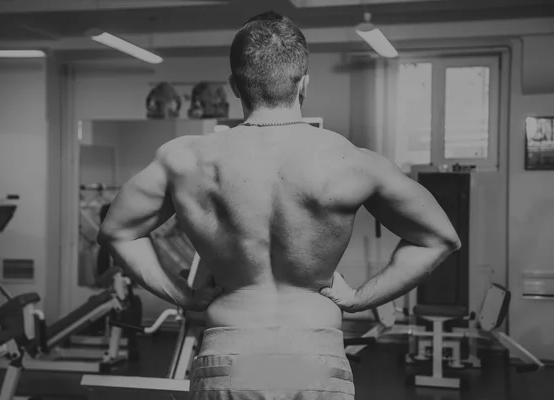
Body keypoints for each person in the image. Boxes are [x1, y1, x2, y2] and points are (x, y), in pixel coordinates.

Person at [98, 10, 461, 400]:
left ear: (234, 85)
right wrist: (359, 298)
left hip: (230, 354)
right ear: (304, 84)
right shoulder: (350, 161)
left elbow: (116, 232)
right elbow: (439, 239)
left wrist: (182, 296)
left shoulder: (185, 160)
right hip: (313, 358)